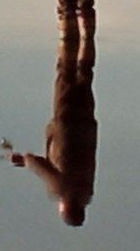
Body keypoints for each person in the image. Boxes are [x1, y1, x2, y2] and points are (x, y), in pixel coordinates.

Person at [7, 32, 98, 227]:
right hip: (66, 123)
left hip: (87, 124)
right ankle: (68, 27)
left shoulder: (87, 189)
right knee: (66, 71)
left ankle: (87, 28)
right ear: (65, 208)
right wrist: (23, 159)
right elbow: (36, 163)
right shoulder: (62, 190)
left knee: (85, 73)